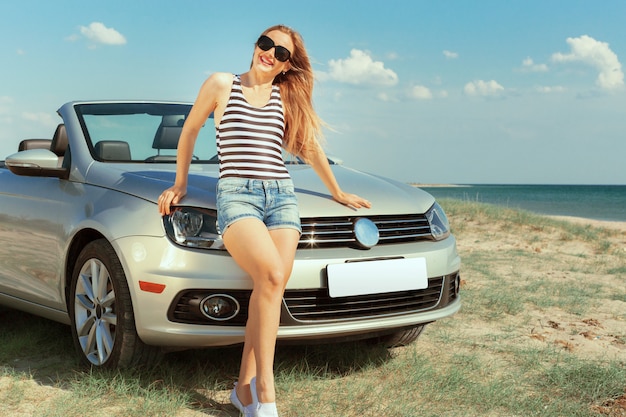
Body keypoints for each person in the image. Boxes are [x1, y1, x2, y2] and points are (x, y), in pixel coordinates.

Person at [158, 24, 371, 417]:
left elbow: (307, 147)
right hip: (237, 195)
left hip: (282, 198)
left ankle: (243, 390)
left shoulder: (283, 96)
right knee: (273, 277)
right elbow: (189, 131)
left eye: (281, 53)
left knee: (269, 286)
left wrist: (337, 191)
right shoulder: (222, 84)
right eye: (266, 44)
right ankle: (267, 391)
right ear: (256, 45)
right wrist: (180, 184)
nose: (270, 53)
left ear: (288, 66)